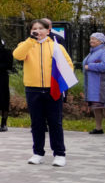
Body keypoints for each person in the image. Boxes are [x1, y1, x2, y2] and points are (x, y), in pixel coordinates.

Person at [13, 18, 75, 167]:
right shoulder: (26, 45)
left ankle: (59, 153)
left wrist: (61, 84)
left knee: (55, 122)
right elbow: (17, 55)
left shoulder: (56, 47)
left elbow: (68, 66)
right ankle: (38, 153)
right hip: (33, 89)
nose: (38, 31)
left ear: (48, 31)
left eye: (41, 28)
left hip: (52, 89)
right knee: (37, 123)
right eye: (35, 28)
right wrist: (30, 40)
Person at [83, 32, 105, 135]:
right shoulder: (92, 52)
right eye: (91, 39)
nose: (91, 41)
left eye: (94, 39)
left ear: (101, 41)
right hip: (94, 85)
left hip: (103, 84)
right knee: (96, 107)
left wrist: (91, 66)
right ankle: (98, 128)